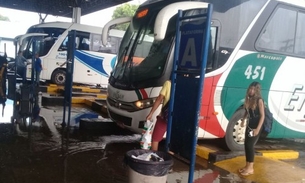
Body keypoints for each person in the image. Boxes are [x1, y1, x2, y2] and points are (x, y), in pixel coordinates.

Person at [239, 81, 265, 176]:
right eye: (250, 88)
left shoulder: (259, 100)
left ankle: (251, 168)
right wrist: (243, 120)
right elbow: (247, 111)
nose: (251, 90)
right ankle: (247, 166)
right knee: (246, 145)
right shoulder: (249, 99)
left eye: (254, 89)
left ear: (257, 90)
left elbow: (262, 116)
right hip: (250, 124)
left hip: (256, 126)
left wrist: (257, 129)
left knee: (250, 146)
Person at [146, 80, 171, 151]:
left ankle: (154, 157)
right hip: (179, 118)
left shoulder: (168, 83)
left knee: (155, 139)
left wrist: (151, 113)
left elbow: (160, 98)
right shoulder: (187, 84)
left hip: (165, 117)